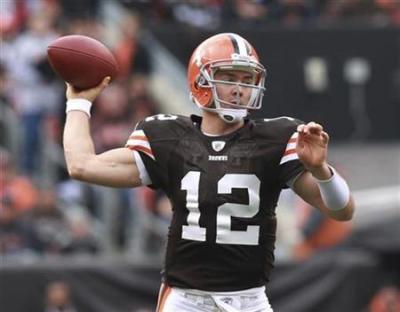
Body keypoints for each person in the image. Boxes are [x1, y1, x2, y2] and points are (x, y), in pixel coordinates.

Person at [62, 33, 355, 312]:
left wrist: (320, 170)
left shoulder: (275, 139)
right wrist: (79, 102)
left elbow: (342, 211)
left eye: (247, 79)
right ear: (200, 81)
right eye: (228, 78)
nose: (240, 88)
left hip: (248, 300)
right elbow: (82, 165)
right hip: (185, 300)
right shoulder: (169, 137)